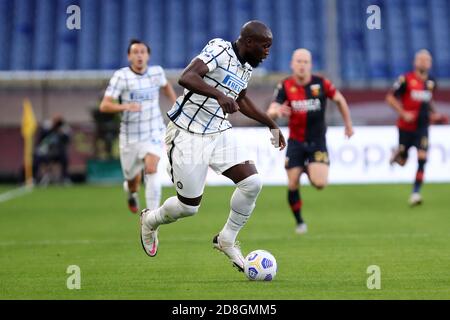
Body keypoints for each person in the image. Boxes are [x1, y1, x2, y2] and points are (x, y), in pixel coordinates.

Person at [139, 21, 286, 272]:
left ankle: (226, 239)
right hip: (187, 132)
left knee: (252, 183)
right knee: (188, 207)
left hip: (218, 130)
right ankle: (150, 220)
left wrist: (270, 122)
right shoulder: (219, 49)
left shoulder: (245, 68)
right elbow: (187, 77)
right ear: (249, 42)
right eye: (265, 46)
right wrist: (219, 95)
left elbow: (240, 99)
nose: (267, 52)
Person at [267, 49, 353, 234]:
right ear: (292, 64)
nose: (302, 65)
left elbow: (340, 100)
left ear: (310, 64)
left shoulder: (321, 83)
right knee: (292, 183)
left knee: (320, 184)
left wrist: (348, 124)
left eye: (305, 61)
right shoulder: (285, 85)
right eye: (298, 61)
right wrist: (276, 112)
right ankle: (300, 222)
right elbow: (270, 111)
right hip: (296, 141)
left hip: (317, 141)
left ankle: (307, 168)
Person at [100, 39, 177, 213]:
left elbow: (166, 87)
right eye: (135, 52)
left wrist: (176, 104)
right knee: (133, 182)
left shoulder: (157, 73)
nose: (139, 55)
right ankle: (131, 194)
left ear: (148, 55)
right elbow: (104, 106)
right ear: (129, 56)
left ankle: (151, 216)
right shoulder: (121, 76)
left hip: (154, 131)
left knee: (151, 169)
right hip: (130, 137)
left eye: (143, 52)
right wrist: (125, 106)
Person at [386, 49, 448, 206]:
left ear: (430, 63)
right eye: (421, 59)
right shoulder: (405, 79)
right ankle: (397, 153)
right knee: (402, 162)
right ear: (415, 62)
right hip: (405, 127)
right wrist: (403, 112)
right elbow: (390, 98)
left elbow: (428, 101)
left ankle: (415, 193)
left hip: (422, 127)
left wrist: (434, 114)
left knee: (422, 157)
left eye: (427, 59)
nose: (424, 62)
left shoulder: (431, 82)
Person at [33, 114, 71, 185]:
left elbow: (67, 140)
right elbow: (40, 139)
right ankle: (34, 178)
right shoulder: (47, 128)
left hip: (57, 153)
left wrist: (61, 132)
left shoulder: (63, 129)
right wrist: (51, 128)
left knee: (65, 158)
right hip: (46, 153)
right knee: (36, 158)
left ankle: (65, 178)